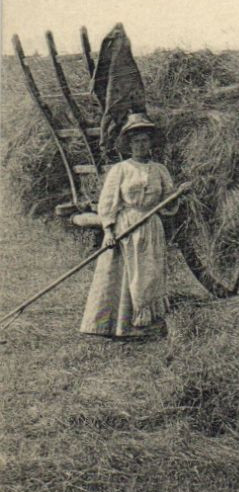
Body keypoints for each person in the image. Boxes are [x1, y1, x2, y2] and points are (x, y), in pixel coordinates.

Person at [81, 114, 178, 338]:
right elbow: (107, 202)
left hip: (151, 225)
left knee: (150, 273)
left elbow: (168, 202)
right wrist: (108, 230)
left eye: (145, 140)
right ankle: (114, 325)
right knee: (123, 274)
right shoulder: (121, 169)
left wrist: (178, 194)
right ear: (129, 144)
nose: (141, 145)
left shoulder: (160, 170)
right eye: (136, 141)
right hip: (126, 225)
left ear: (151, 143)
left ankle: (147, 322)